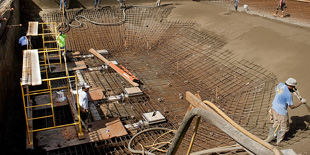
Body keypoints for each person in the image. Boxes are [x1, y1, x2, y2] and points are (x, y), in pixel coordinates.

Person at [267, 78, 306, 144]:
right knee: (284, 128)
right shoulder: (288, 95)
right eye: (293, 87)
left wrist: (293, 91)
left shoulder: (280, 85)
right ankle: (279, 141)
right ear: (290, 86)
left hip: (274, 108)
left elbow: (281, 90)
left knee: (275, 124)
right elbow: (291, 107)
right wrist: (301, 102)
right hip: (281, 112)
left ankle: (270, 137)